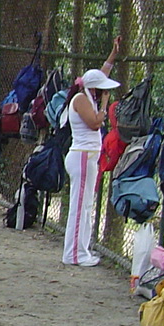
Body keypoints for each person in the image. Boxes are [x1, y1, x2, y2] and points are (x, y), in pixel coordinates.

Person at [63, 68, 120, 267]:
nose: (105, 93)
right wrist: (104, 105)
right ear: (93, 89)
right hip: (82, 156)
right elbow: (95, 123)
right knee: (79, 208)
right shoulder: (80, 99)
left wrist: (113, 55)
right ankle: (74, 255)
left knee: (86, 206)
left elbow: (102, 71)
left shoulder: (87, 98)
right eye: (102, 90)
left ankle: (82, 250)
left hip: (88, 158)